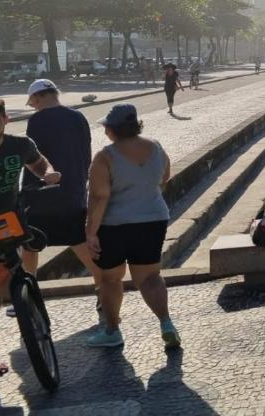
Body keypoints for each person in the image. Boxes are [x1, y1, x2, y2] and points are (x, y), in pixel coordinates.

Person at [0, 98, 62, 377]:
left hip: (4, 227)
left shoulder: (20, 145)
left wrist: (47, 174)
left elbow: (38, 163)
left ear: (5, 121)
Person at [85, 104, 179, 350]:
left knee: (110, 280)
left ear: (111, 129)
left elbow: (98, 197)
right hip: (153, 220)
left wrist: (91, 232)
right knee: (150, 277)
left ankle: (112, 330)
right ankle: (166, 323)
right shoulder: (156, 147)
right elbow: (165, 177)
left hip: (114, 225)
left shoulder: (105, 156)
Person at [19, 80, 102, 296]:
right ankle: (104, 287)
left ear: (37, 98)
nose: (34, 107)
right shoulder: (78, 117)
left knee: (30, 245)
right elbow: (86, 153)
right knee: (78, 240)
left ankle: (30, 293)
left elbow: (35, 159)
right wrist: (81, 181)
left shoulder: (37, 121)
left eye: (33, 103)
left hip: (43, 193)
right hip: (74, 189)